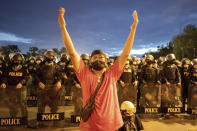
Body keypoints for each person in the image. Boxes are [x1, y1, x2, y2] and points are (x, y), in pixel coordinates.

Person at [58, 7, 138, 131]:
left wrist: (133, 30)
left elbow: (125, 54)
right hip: (90, 125)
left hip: (113, 124)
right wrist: (63, 27)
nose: (98, 59)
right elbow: (72, 53)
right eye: (95, 57)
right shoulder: (84, 73)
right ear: (90, 61)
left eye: (101, 57)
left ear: (106, 61)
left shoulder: (112, 73)